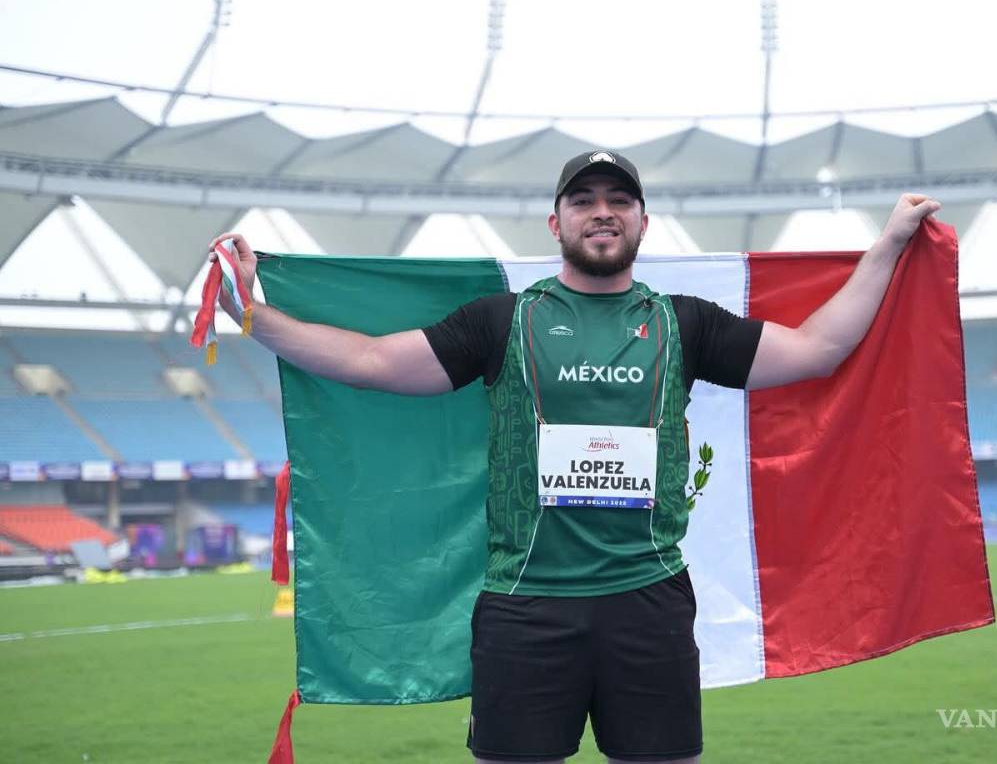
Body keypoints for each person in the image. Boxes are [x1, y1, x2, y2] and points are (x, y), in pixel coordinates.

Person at [209, 150, 940, 764]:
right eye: (584, 199)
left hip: (648, 604)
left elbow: (818, 349)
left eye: (620, 200)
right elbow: (371, 361)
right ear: (556, 223)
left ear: (642, 223)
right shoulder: (500, 320)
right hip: (525, 609)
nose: (603, 211)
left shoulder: (683, 321)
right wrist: (252, 313)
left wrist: (890, 245)